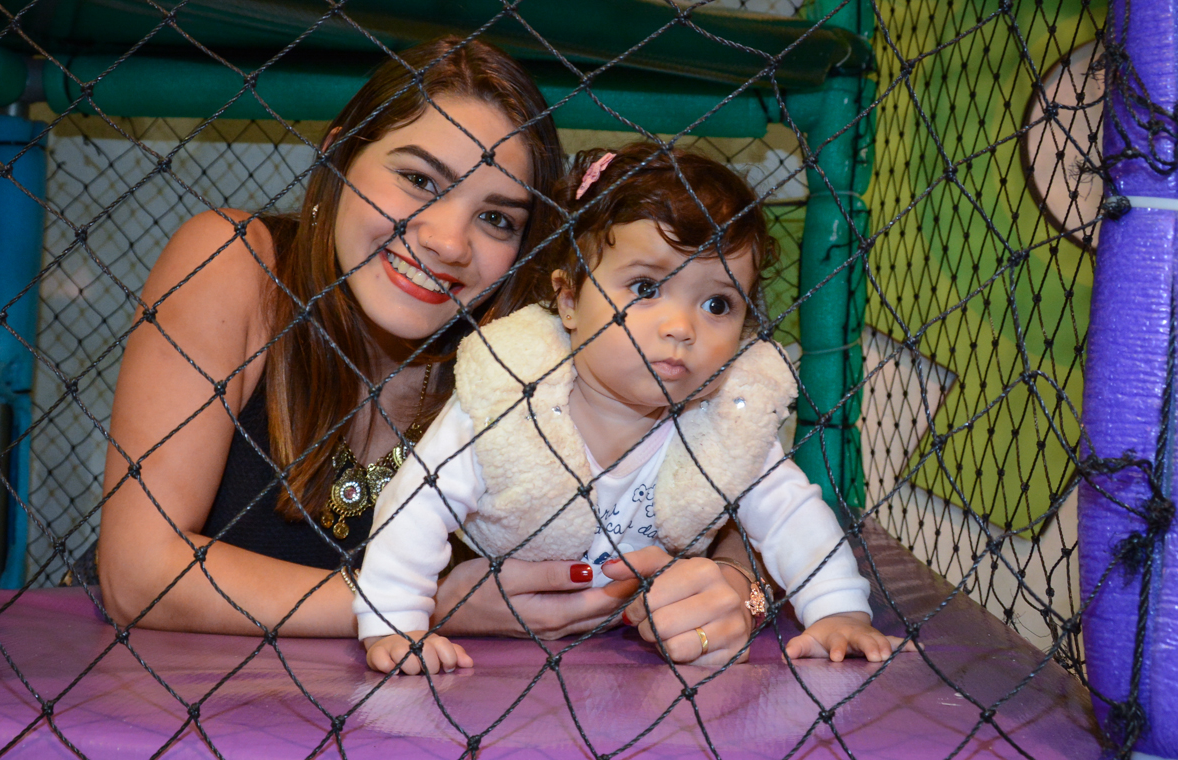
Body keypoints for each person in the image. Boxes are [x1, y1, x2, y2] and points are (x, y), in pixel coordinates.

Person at [96, 38, 761, 652]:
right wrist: (423, 605)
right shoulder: (236, 266)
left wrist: (738, 589)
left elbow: (729, 497)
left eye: (496, 217)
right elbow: (138, 571)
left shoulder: (536, 351)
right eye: (419, 180)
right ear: (337, 155)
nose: (448, 241)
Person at [355, 144, 894, 674]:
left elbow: (790, 515)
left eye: (717, 304)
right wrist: (396, 619)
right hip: (509, 660)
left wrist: (836, 609)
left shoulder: (722, 422)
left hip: (635, 658)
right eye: (646, 287)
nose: (681, 328)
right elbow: (418, 502)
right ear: (569, 301)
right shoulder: (512, 398)